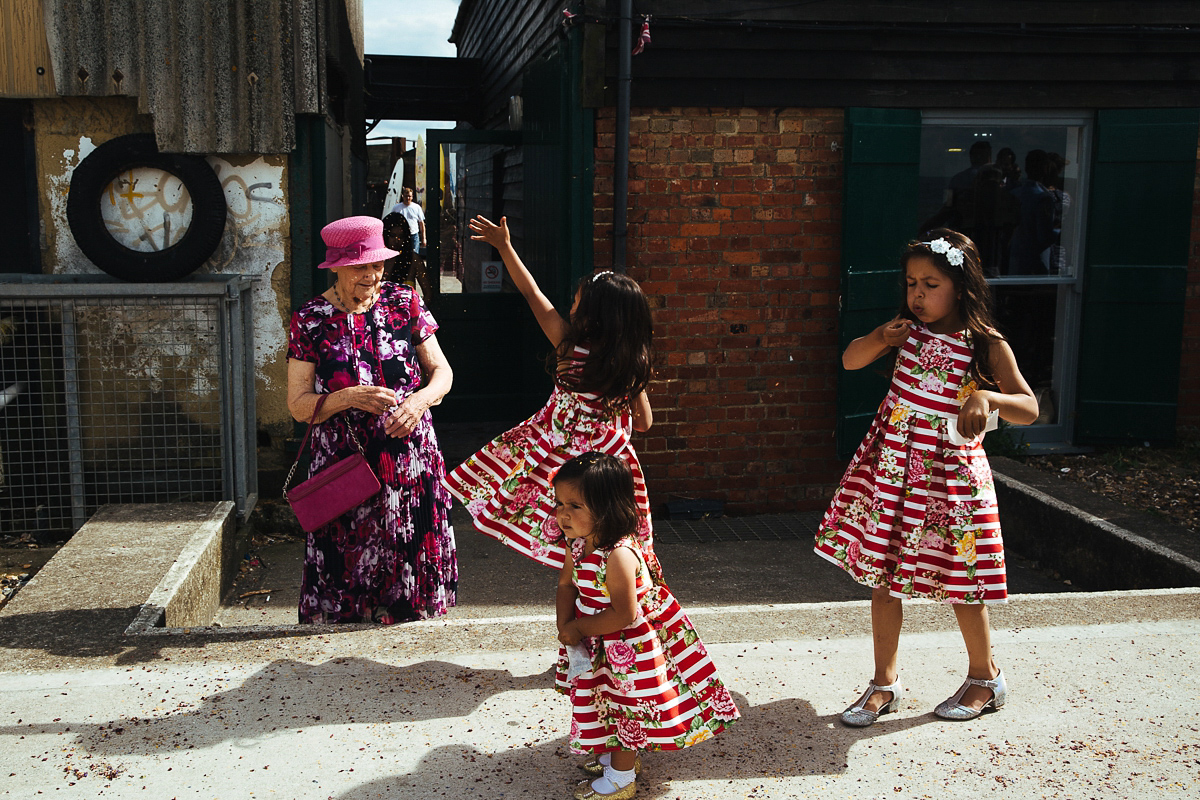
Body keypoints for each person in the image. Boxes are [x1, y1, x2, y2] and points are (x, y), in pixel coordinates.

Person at [814, 229, 1038, 726]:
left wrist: (986, 397)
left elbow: (1028, 408)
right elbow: (851, 359)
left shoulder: (984, 344)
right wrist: (878, 338)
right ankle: (882, 683)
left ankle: (985, 677)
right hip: (892, 476)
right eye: (911, 283)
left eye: (930, 284)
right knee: (884, 577)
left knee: (963, 581)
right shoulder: (903, 332)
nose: (917, 294)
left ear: (960, 286)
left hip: (950, 481)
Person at [443, 215, 658, 576]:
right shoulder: (630, 366)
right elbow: (646, 424)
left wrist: (504, 247)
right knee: (607, 539)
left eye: (576, 303)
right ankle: (608, 593)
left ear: (594, 316)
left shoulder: (569, 349)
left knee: (569, 532)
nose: (571, 308)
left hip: (562, 460)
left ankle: (581, 598)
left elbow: (532, 295)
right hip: (609, 467)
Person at [286, 215, 457, 624]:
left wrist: (418, 403)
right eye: (361, 266)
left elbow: (443, 374)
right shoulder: (310, 319)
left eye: (377, 264)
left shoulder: (405, 301)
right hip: (346, 463)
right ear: (337, 267)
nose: (371, 274)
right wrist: (347, 398)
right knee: (347, 562)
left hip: (409, 456)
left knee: (408, 561)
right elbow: (296, 404)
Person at [551, 452, 739, 800]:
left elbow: (624, 614)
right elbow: (567, 585)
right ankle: (612, 756)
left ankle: (621, 777)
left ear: (606, 507)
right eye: (559, 503)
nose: (563, 513)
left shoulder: (618, 555)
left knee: (625, 707)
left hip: (626, 648)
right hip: (596, 639)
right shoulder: (577, 545)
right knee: (601, 699)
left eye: (574, 505)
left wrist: (578, 628)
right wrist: (565, 623)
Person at [391, 187, 426, 257]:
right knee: (402, 256)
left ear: (412, 197)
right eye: (406, 196)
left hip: (414, 235)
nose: (408, 198)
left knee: (414, 256)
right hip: (401, 236)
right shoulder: (396, 208)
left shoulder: (417, 207)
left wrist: (423, 238)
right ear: (402, 196)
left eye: (409, 196)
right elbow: (392, 223)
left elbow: (421, 224)